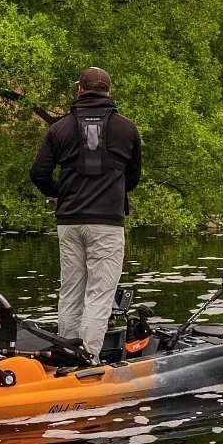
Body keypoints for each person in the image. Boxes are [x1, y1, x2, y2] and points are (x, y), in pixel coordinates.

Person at [30, 67, 141, 361]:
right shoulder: (127, 128)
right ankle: (87, 359)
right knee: (100, 294)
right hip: (106, 222)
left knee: (71, 290)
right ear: (109, 92)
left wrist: (60, 192)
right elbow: (133, 177)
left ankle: (65, 350)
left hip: (69, 221)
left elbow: (38, 173)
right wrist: (112, 193)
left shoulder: (59, 128)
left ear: (79, 90)